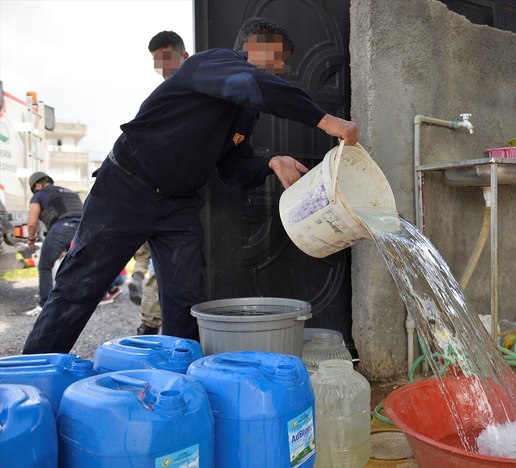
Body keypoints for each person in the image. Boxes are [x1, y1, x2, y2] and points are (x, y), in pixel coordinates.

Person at [23, 17, 358, 354]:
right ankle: (33, 374)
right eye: (280, 57)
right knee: (79, 287)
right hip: (124, 189)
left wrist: (270, 162)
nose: (284, 67)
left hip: (178, 206)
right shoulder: (208, 63)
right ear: (255, 46)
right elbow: (252, 83)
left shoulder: (245, 112)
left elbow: (231, 169)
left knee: (185, 301)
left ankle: (178, 384)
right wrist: (326, 120)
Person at [129, 30, 191, 335]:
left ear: (186, 57)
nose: (164, 69)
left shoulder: (202, 94)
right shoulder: (157, 102)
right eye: (158, 63)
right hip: (149, 196)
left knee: (168, 271)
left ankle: (159, 326)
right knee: (159, 269)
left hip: (184, 197)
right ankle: (150, 325)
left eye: (168, 60)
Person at [23, 172, 82, 316]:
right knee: (73, 266)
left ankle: (44, 305)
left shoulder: (39, 194)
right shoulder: (70, 193)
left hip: (62, 228)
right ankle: (73, 302)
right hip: (82, 230)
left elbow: (31, 223)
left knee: (44, 266)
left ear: (37, 185)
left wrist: (30, 241)